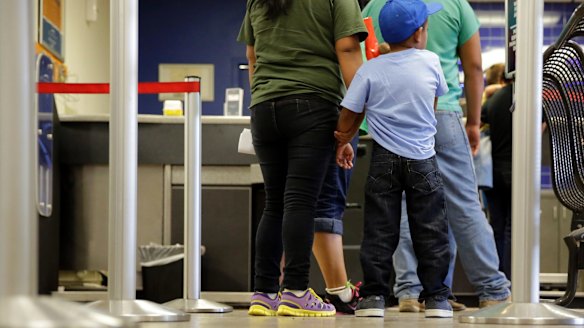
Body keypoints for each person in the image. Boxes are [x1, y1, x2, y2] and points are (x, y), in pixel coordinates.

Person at [360, 0, 511, 311]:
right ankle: (492, 289)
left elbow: (366, 59)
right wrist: (472, 120)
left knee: (399, 207)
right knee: (463, 205)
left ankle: (409, 292)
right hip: (442, 114)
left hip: (390, 119)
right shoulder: (456, 6)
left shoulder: (375, 6)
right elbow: (473, 68)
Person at [237, 0, 367, 317]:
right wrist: (355, 116)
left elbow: (252, 57)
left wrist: (267, 99)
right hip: (313, 102)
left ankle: (264, 293)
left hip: (265, 107)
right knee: (300, 201)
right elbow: (348, 51)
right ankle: (295, 290)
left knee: (275, 202)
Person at [335, 0, 453, 318]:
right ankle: (437, 299)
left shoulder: (370, 68)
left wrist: (342, 139)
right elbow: (433, 100)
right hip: (423, 160)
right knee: (431, 229)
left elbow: (350, 113)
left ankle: (374, 297)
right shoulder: (430, 61)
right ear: (418, 34)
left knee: (379, 229)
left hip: (383, 158)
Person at [481, 75, 513, 281]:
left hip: (492, 173)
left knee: (497, 228)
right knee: (513, 228)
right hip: (516, 172)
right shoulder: (529, 98)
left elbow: (481, 124)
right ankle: (512, 279)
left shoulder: (492, 101)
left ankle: (498, 278)